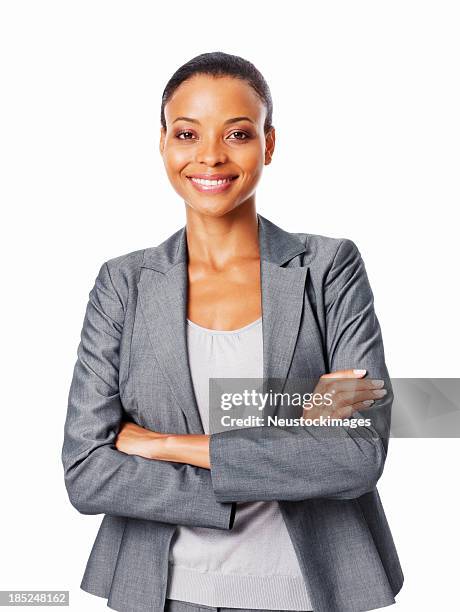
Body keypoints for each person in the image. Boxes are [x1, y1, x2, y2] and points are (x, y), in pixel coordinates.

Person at [62, 51, 404, 612]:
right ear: (164, 143)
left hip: (302, 588)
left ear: (269, 143)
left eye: (239, 133)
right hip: (164, 590)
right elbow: (87, 472)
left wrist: (166, 445)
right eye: (187, 133)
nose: (211, 156)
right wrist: (284, 450)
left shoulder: (328, 269)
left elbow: (358, 454)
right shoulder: (124, 283)